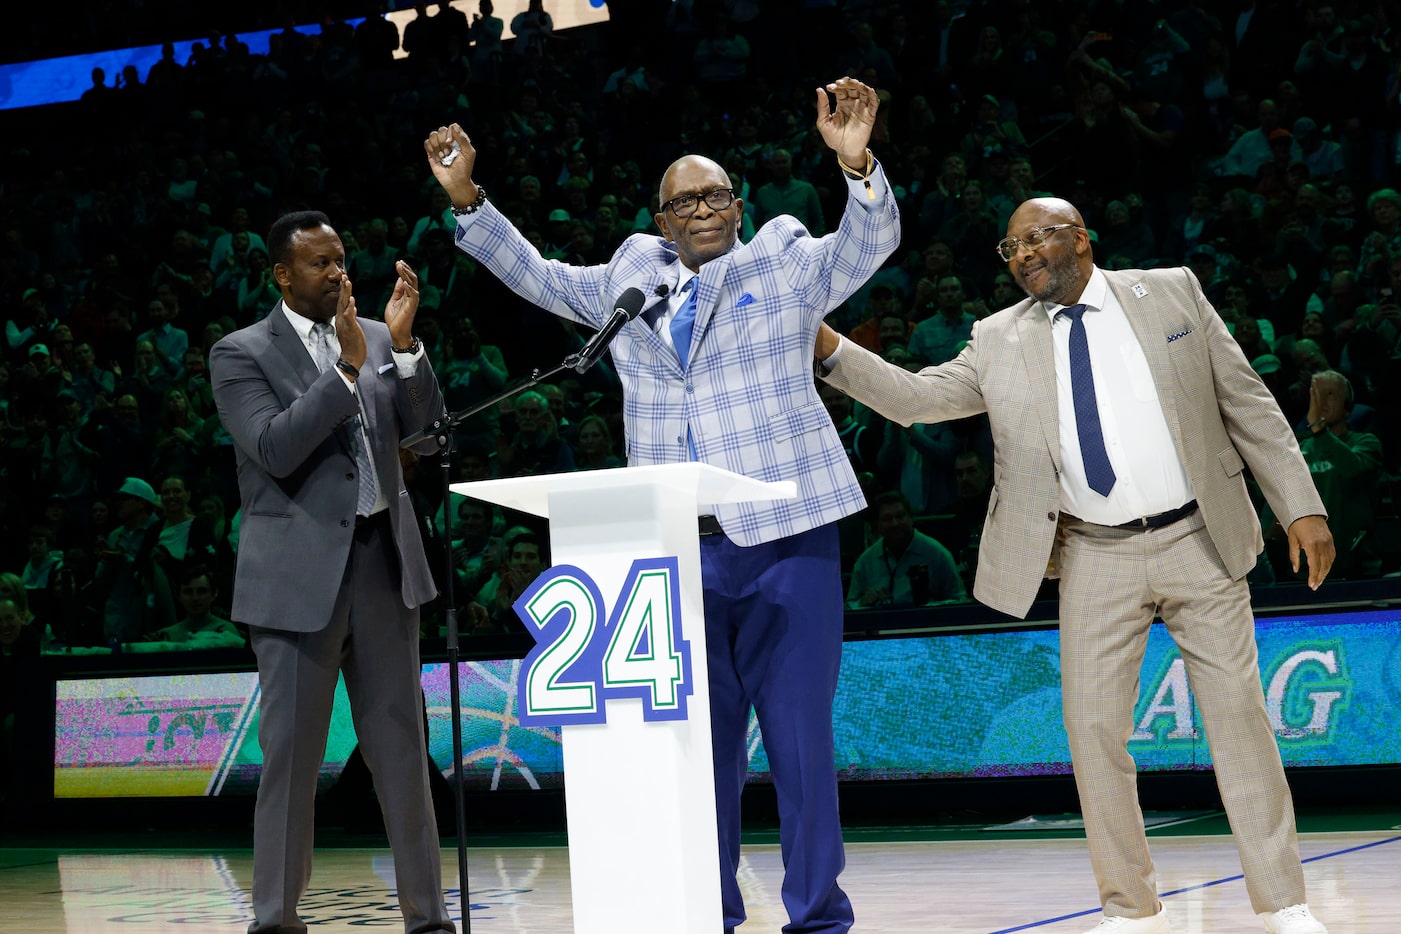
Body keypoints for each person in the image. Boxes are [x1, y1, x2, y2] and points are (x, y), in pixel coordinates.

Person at [424, 75, 899, 934]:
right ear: (663, 218)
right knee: (699, 752)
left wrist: (855, 162)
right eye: (684, 201)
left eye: (716, 194)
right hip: (674, 554)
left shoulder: (783, 260)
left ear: (739, 205)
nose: (703, 208)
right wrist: (468, 198)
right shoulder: (629, 281)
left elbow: (862, 248)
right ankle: (706, 908)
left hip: (784, 540)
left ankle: (818, 915)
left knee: (796, 743)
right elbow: (534, 275)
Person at [814, 197, 1335, 934]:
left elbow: (1245, 400)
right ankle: (1131, 909)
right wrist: (829, 347)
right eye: (1011, 245)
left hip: (1199, 537)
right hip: (1092, 552)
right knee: (1091, 731)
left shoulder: (1171, 290)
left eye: (1038, 238)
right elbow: (918, 399)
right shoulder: (996, 338)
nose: (1023, 253)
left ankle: (1283, 902)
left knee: (1239, 722)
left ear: (1080, 240)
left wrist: (1299, 505)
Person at [209, 210, 453, 934]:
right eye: (320, 264)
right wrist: (346, 368)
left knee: (404, 755)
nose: (338, 273)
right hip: (293, 584)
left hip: (384, 566)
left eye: (341, 259)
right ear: (283, 274)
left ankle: (428, 918)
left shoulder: (377, 337)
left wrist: (404, 349)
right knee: (291, 762)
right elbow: (274, 447)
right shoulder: (240, 353)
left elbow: (428, 436)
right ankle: (277, 920)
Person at [846, 491, 964, 608]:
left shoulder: (938, 555)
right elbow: (848, 607)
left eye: (900, 516)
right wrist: (862, 602)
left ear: (911, 517)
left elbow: (960, 601)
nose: (895, 523)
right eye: (887, 519)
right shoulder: (865, 562)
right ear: (877, 525)